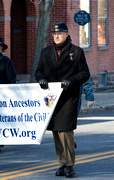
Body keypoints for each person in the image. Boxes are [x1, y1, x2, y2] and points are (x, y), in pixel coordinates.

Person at [35, 22, 90, 178]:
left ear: (66, 34)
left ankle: (70, 164)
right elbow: (38, 71)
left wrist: (72, 81)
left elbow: (85, 73)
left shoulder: (76, 52)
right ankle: (62, 163)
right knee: (56, 132)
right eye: (54, 34)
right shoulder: (46, 52)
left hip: (68, 97)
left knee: (66, 131)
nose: (56, 36)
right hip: (52, 99)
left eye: (60, 34)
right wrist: (41, 79)